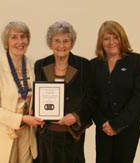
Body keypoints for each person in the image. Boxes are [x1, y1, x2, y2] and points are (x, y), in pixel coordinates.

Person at [0, 21, 44, 163]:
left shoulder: (32, 65)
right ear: (6, 41)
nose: (20, 42)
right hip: (4, 135)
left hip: (26, 135)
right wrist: (21, 119)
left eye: (23, 37)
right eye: (14, 37)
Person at [34, 21, 96, 163]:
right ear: (50, 43)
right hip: (46, 134)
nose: (61, 45)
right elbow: (36, 96)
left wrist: (76, 116)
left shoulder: (84, 65)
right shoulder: (40, 64)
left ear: (72, 43)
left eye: (66, 41)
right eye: (57, 41)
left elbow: (91, 98)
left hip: (73, 134)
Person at [90, 20, 140, 163]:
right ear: (101, 42)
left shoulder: (137, 61)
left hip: (129, 123)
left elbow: (138, 96)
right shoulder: (93, 65)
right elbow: (91, 97)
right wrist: (103, 123)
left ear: (122, 38)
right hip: (104, 124)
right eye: (106, 38)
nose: (111, 42)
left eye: (115, 37)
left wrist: (117, 125)